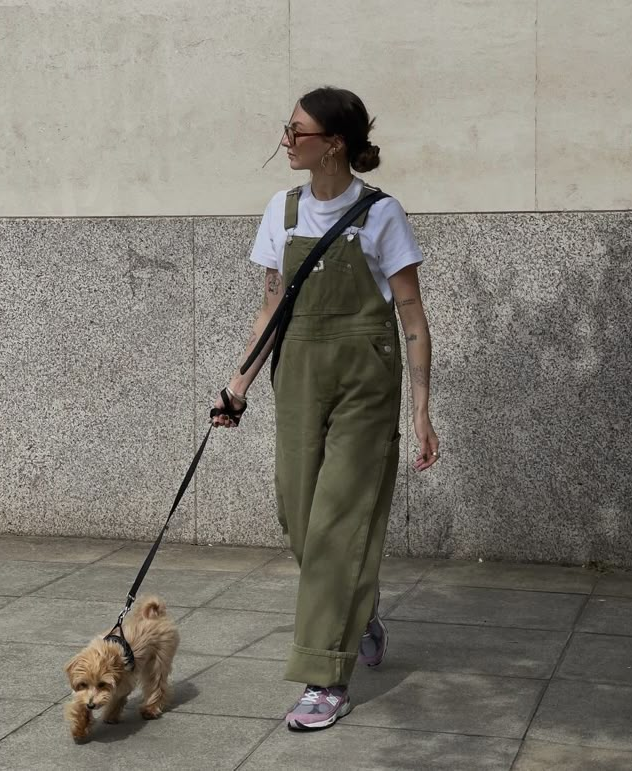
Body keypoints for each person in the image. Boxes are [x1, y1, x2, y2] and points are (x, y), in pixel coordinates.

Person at [212, 86, 439, 730]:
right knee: (296, 510)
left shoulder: (381, 214)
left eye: (296, 131)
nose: (285, 139)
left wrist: (421, 410)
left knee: (339, 522)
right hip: (300, 375)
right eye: (287, 129)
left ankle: (323, 677)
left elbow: (413, 317)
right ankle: (356, 608)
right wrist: (238, 387)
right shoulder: (280, 212)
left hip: (366, 381)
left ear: (332, 144)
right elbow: (270, 311)